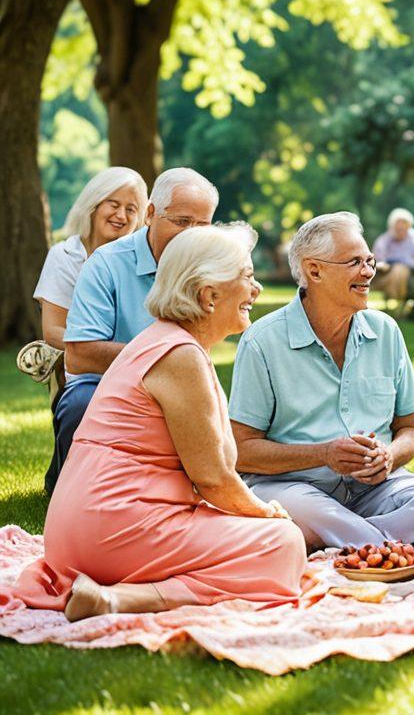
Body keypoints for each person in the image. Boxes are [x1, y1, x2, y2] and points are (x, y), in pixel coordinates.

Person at [10, 224, 306, 620]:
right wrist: (266, 513)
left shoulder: (160, 341)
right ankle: (119, 599)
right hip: (110, 532)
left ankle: (111, 593)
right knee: (283, 542)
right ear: (209, 294)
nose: (256, 291)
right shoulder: (179, 355)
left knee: (263, 533)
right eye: (248, 278)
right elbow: (213, 479)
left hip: (75, 535)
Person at [229, 211, 414, 548]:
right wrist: (324, 455)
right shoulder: (263, 341)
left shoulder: (385, 331)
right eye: (355, 262)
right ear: (314, 270)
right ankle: (379, 546)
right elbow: (242, 451)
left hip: (377, 489)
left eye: (370, 260)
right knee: (310, 512)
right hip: (295, 488)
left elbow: (410, 431)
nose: (369, 272)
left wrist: (388, 457)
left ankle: (349, 544)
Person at [46, 167, 218, 492]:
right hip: (103, 383)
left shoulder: (208, 269)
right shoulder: (106, 263)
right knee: (81, 403)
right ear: (151, 214)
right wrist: (167, 361)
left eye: (202, 225)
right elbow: (81, 354)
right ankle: (71, 489)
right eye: (181, 222)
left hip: (175, 387)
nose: (191, 236)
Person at [17, 167, 148, 396]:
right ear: (94, 205)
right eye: (113, 204)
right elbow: (53, 331)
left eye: (131, 209)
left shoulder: (141, 262)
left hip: (138, 371)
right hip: (85, 373)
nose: (121, 216)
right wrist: (110, 353)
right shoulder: (65, 256)